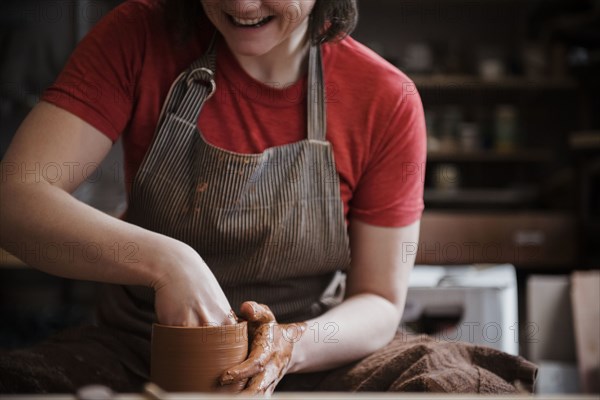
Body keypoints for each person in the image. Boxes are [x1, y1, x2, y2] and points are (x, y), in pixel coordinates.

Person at [0, 0, 537, 395]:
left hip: (313, 352)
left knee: (468, 386)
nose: (241, 4)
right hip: (139, 348)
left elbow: (378, 302)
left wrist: (289, 346)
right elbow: (15, 199)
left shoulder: (385, 98)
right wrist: (168, 262)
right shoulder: (139, 36)